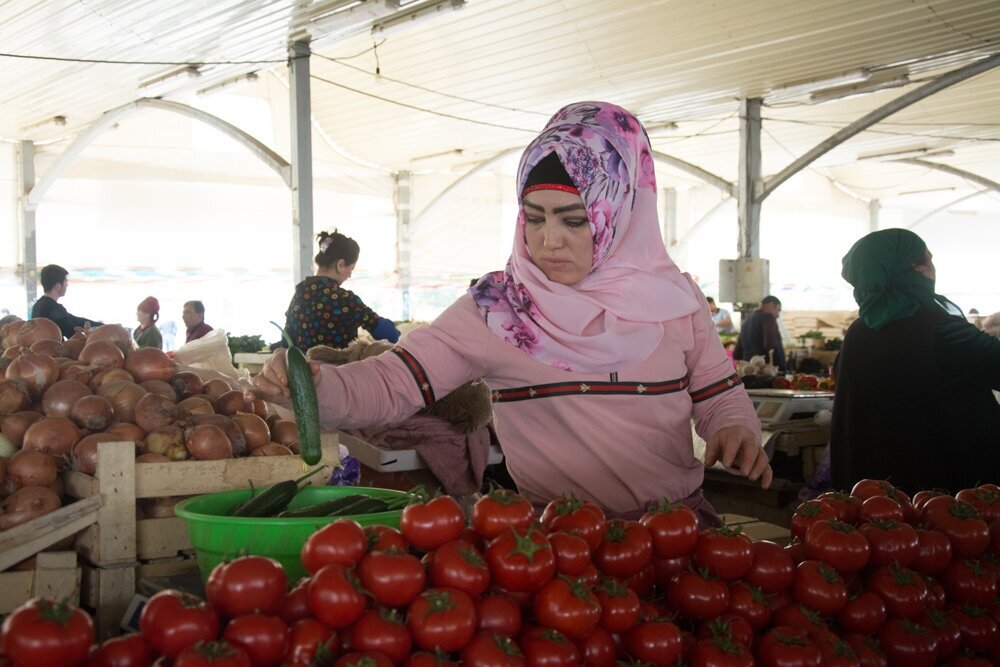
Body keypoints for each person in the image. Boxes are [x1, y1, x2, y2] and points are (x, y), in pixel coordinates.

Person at [251, 101, 771, 522]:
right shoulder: (497, 310)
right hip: (553, 549)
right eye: (535, 217)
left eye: (574, 220)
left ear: (619, 210)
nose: (549, 241)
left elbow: (718, 394)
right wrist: (315, 387)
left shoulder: (674, 301)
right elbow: (393, 384)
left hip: (676, 534)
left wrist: (735, 430)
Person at [830, 228, 1000, 494]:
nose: (934, 269)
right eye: (927, 261)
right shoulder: (939, 330)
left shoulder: (857, 332)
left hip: (876, 499)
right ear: (914, 269)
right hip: (945, 501)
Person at [281, 230, 400, 350]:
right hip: (336, 368)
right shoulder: (343, 299)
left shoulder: (299, 294)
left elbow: (286, 340)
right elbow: (388, 333)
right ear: (341, 265)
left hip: (301, 368)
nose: (349, 275)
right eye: (351, 268)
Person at [30, 264, 103, 339]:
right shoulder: (53, 308)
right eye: (66, 281)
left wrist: (100, 325)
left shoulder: (38, 305)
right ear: (58, 286)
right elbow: (73, 333)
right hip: (54, 349)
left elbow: (74, 319)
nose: (67, 285)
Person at [733, 296, 786, 371]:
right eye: (778, 310)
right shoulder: (768, 318)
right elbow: (770, 345)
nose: (778, 315)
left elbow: (736, 353)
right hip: (765, 371)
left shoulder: (746, 321)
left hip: (748, 370)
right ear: (771, 305)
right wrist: (780, 367)